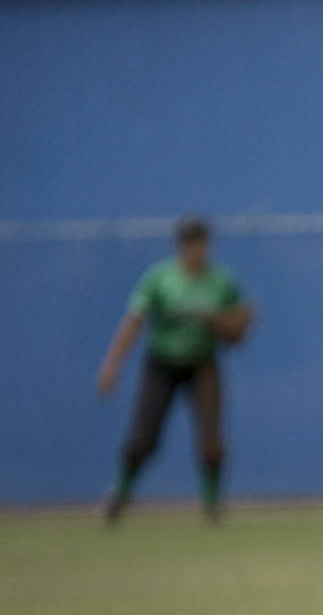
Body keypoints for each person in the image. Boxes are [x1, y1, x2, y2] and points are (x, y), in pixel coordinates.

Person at [96, 214, 253, 524]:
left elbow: (240, 327)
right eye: (189, 242)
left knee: (211, 437)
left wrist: (222, 322)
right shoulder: (161, 278)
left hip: (202, 364)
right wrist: (112, 364)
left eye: (200, 242)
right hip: (162, 364)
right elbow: (134, 321)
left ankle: (212, 505)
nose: (195, 249)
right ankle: (121, 493)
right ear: (179, 245)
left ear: (208, 244)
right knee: (144, 437)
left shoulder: (220, 281)